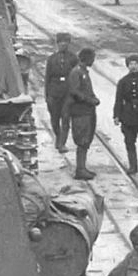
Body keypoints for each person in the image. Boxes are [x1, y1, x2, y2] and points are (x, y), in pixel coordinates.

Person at [66, 47, 100, 180]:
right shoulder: (77, 72)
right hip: (80, 111)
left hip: (87, 110)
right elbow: (74, 91)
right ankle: (80, 169)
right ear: (87, 58)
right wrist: (89, 100)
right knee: (82, 139)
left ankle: (82, 167)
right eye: (92, 58)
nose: (93, 60)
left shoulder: (83, 71)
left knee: (86, 139)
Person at [43, 33, 77, 151]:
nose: (63, 44)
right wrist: (46, 94)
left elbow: (76, 77)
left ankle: (62, 143)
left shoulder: (73, 58)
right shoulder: (52, 59)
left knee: (66, 118)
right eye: (61, 42)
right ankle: (58, 137)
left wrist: (75, 94)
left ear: (68, 44)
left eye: (65, 42)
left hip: (68, 92)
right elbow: (47, 77)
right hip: (54, 92)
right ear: (57, 44)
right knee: (54, 119)